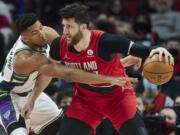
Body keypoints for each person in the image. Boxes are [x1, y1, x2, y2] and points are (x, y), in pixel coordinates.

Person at [0, 13, 138, 135]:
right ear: (25, 37)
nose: (42, 33)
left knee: (60, 127)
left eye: (41, 27)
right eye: (35, 32)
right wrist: (109, 78)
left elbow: (70, 60)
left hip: (29, 91)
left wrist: (116, 64)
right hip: (7, 96)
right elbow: (68, 73)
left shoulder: (47, 33)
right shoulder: (25, 57)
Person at [50, 3, 174, 135]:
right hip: (85, 99)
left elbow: (144, 50)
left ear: (83, 27)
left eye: (69, 27)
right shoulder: (59, 45)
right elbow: (51, 70)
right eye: (64, 26)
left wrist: (158, 50)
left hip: (117, 97)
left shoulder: (106, 42)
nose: (64, 31)